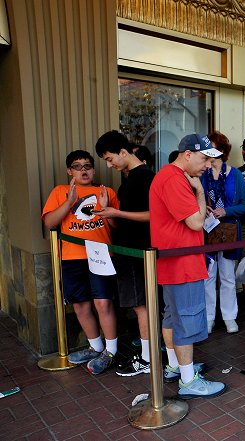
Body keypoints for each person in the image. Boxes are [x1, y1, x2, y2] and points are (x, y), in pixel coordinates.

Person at [149, 133, 226, 399]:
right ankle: (188, 379)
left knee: (173, 316)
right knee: (187, 318)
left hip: (173, 260)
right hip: (182, 261)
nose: (207, 165)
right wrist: (201, 191)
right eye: (204, 158)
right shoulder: (175, 179)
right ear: (188, 155)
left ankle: (176, 365)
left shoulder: (170, 176)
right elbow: (195, 222)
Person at [42, 150, 119, 375]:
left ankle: (111, 351)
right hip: (72, 257)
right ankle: (96, 347)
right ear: (69, 171)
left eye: (87, 165)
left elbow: (118, 228)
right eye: (77, 166)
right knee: (80, 304)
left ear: (94, 169)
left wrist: (107, 212)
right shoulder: (60, 191)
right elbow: (49, 223)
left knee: (103, 303)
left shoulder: (107, 191)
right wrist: (69, 202)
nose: (83, 170)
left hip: (101, 256)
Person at [94, 130, 155, 376]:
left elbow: (153, 216)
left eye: (110, 159)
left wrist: (115, 213)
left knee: (142, 306)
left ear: (122, 152)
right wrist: (107, 211)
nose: (109, 165)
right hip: (128, 251)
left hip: (139, 251)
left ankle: (148, 358)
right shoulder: (128, 179)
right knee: (139, 305)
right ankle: (148, 355)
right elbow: (123, 222)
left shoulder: (145, 177)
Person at [201, 132, 245, 334]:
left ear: (222, 150)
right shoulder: (201, 173)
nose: (208, 153)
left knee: (228, 276)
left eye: (211, 148)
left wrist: (226, 211)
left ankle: (230, 316)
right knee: (208, 276)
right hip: (208, 230)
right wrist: (202, 208)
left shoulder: (236, 175)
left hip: (229, 230)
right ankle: (209, 318)